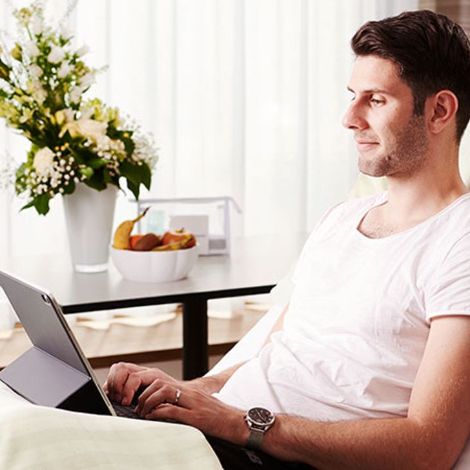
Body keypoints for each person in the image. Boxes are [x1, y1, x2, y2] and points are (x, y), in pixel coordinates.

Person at [104, 10, 470, 469]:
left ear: (439, 111)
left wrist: (240, 424)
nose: (349, 118)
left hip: (268, 456)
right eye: (352, 97)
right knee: (42, 417)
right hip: (220, 437)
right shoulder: (341, 220)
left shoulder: (458, 242)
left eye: (375, 100)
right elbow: (280, 353)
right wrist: (185, 392)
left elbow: (427, 448)